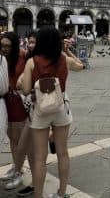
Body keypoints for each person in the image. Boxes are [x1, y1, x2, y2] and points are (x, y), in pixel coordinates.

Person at [18, 27, 86, 198]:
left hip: (40, 110)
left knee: (40, 157)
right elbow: (81, 66)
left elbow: (25, 90)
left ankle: (38, 196)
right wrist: (68, 50)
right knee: (63, 152)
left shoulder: (32, 62)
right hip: (60, 108)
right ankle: (61, 193)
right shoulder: (64, 60)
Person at [1, 31, 35, 196]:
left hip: (18, 101)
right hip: (7, 99)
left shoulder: (22, 56)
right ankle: (16, 166)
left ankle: (19, 172)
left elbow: (22, 80)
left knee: (19, 140)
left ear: (14, 46)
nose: (4, 48)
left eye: (8, 46)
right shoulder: (3, 57)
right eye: (2, 45)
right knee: (12, 138)